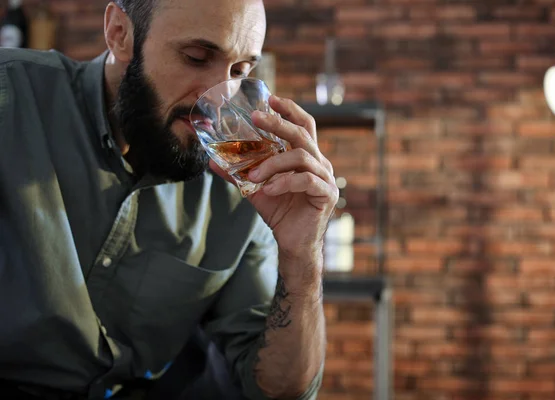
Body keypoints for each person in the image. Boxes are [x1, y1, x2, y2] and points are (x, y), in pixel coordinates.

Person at [0, 0, 338, 399]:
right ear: (119, 34)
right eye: (197, 57)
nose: (221, 98)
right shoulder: (12, 99)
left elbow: (278, 391)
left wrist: (302, 256)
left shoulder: (246, 186)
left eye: (240, 72)